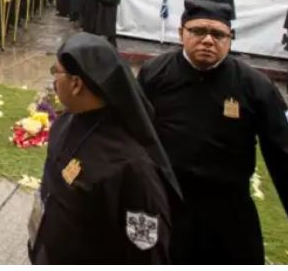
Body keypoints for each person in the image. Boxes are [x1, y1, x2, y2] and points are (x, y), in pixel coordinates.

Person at [137, 0, 288, 264]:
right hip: (169, 207)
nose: (208, 40)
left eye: (218, 34)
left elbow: (287, 155)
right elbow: (133, 139)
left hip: (229, 211)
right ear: (181, 32)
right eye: (198, 31)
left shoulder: (254, 85)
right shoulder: (155, 74)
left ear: (230, 39)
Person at [29, 33, 178, 264]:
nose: (53, 81)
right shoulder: (67, 120)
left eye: (55, 72)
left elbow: (147, 252)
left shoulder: (132, 167)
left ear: (77, 84)